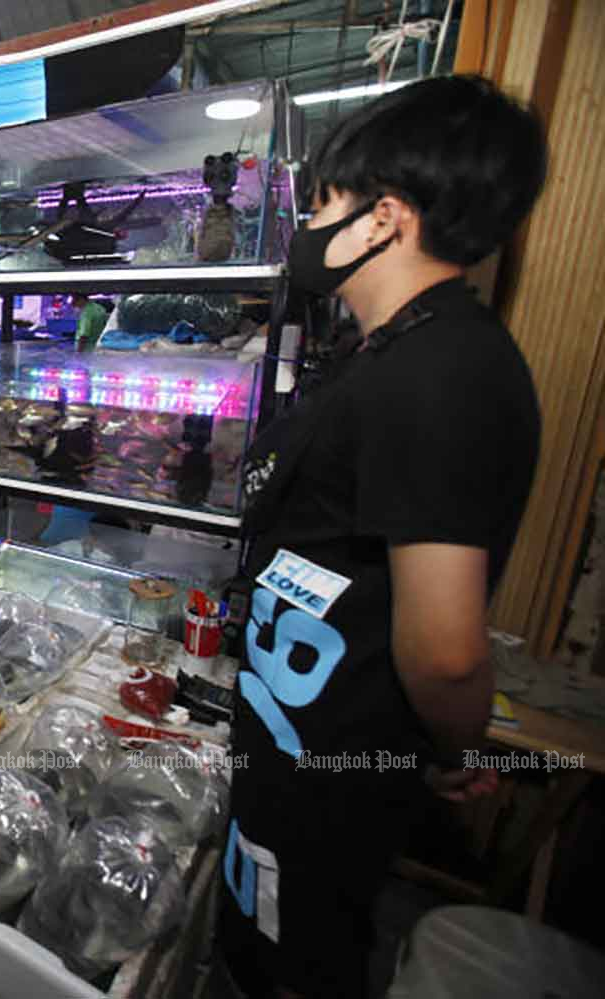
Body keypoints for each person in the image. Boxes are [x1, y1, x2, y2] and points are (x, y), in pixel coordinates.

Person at [219, 76, 547, 999]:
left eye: (323, 204)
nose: (310, 228)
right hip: (289, 754)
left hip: (327, 784)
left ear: (384, 218)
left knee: (300, 969)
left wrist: (454, 749)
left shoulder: (446, 373)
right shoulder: (397, 352)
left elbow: (443, 653)